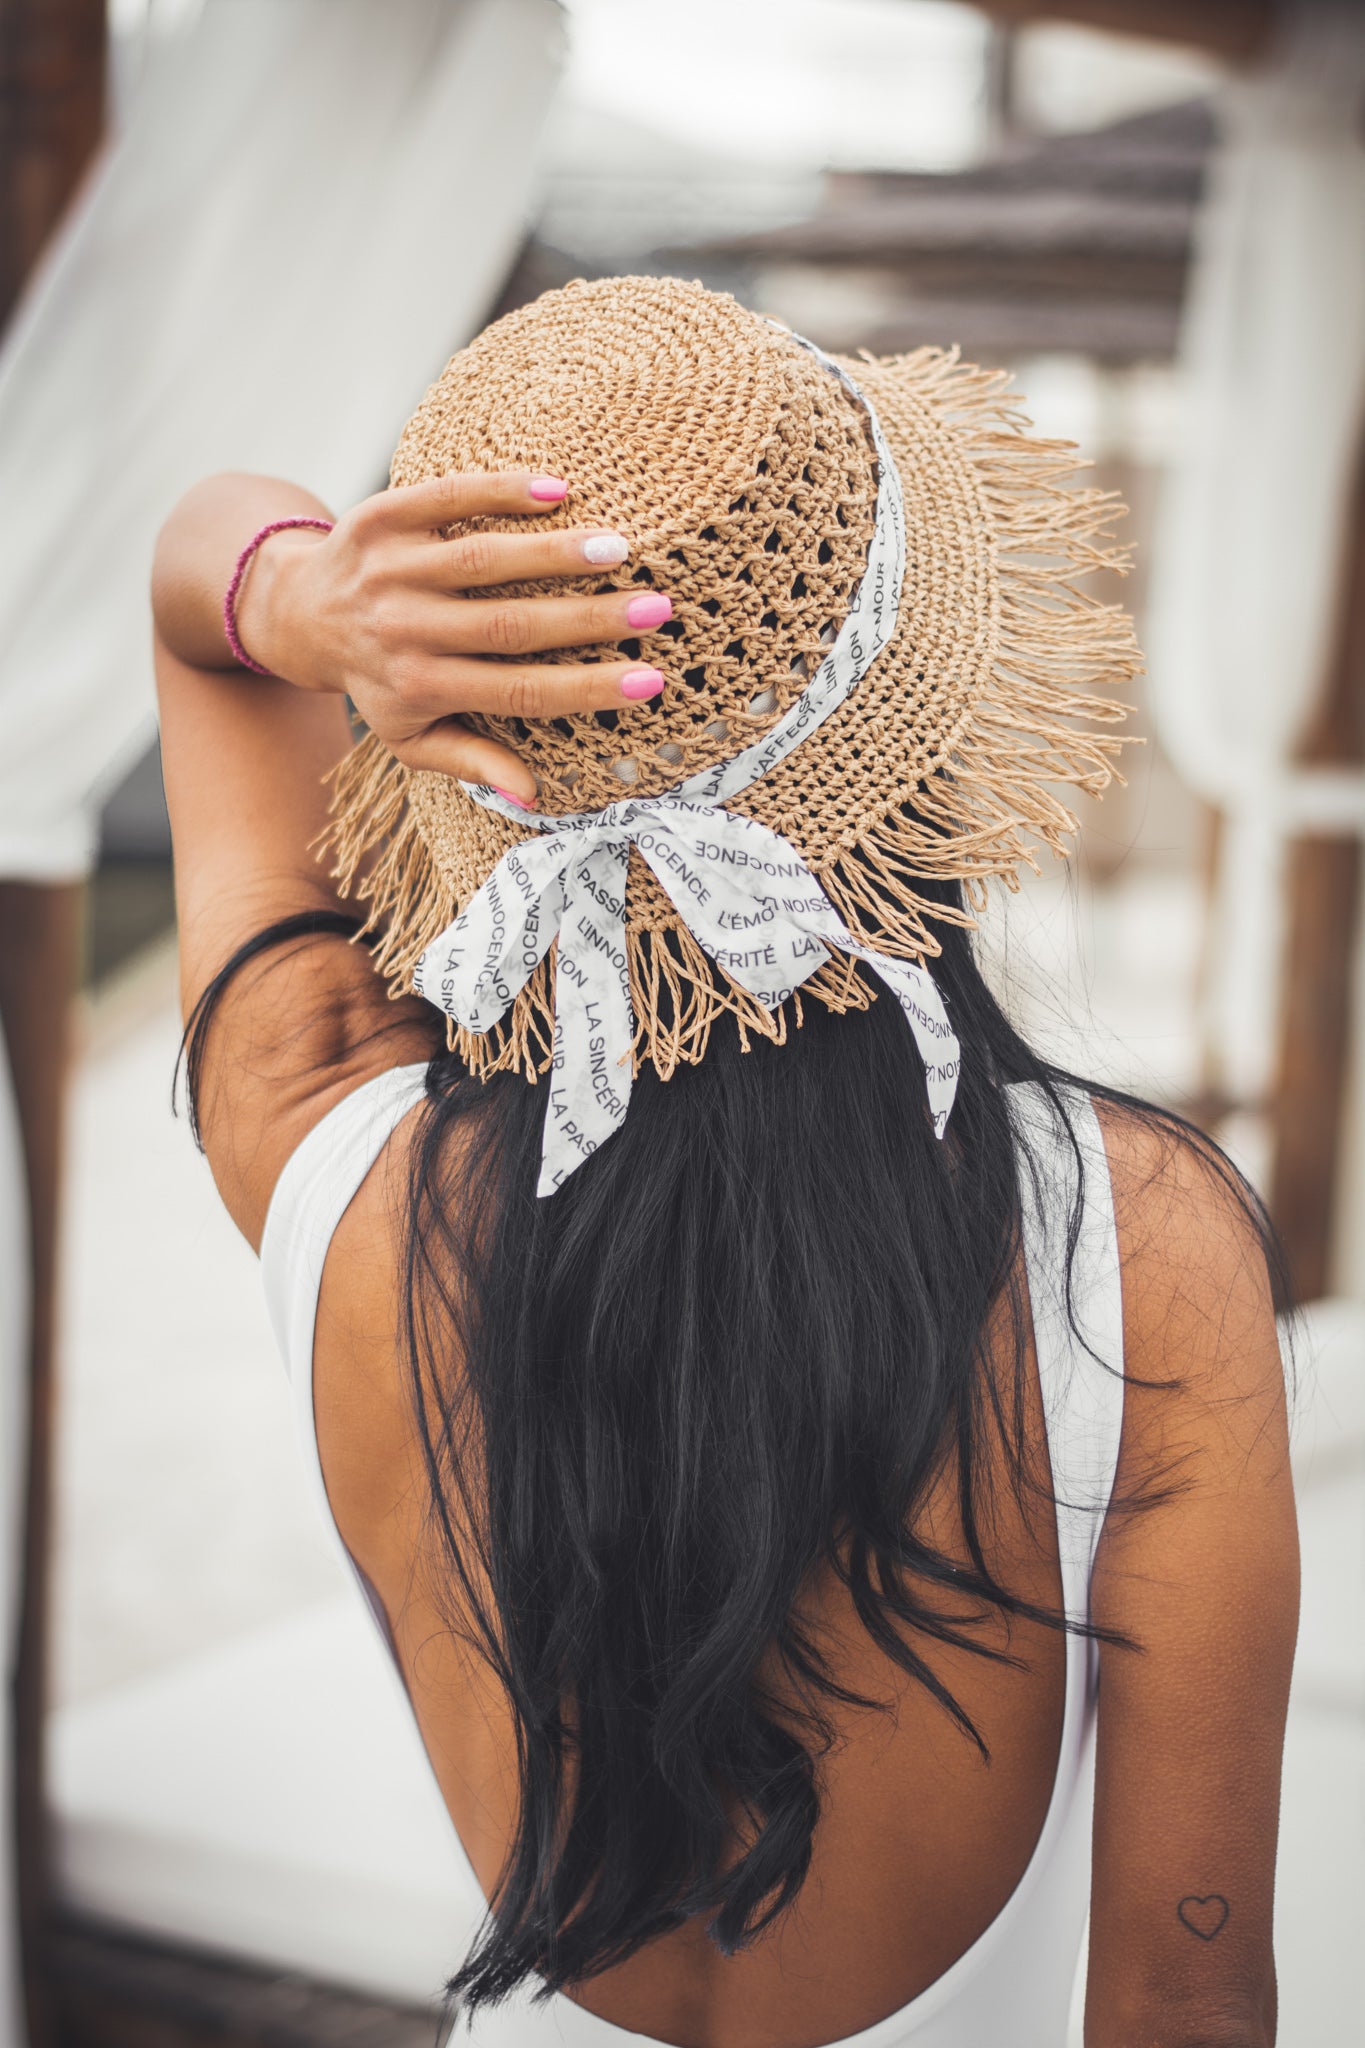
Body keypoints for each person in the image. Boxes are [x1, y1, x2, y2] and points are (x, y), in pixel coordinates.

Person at [151, 277, 1298, 2048]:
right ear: (920, 733)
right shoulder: (1138, 1247)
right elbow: (1187, 2001)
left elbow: (196, 583)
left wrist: (303, 598)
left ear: (439, 729)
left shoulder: (322, 1141)